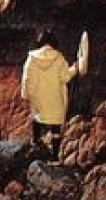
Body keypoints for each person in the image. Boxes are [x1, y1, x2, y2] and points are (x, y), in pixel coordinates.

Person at [21, 30, 77, 158]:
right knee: (55, 126)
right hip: (54, 99)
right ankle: (54, 157)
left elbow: (26, 78)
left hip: (38, 98)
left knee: (36, 118)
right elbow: (65, 77)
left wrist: (26, 95)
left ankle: (36, 142)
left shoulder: (31, 58)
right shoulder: (59, 58)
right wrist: (75, 68)